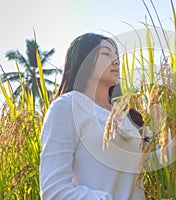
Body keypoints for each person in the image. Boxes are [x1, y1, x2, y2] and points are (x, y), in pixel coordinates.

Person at [39, 33, 147, 199]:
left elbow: (166, 149)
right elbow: (54, 191)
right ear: (83, 61)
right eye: (106, 53)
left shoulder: (127, 116)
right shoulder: (66, 108)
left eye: (116, 55)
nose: (117, 61)